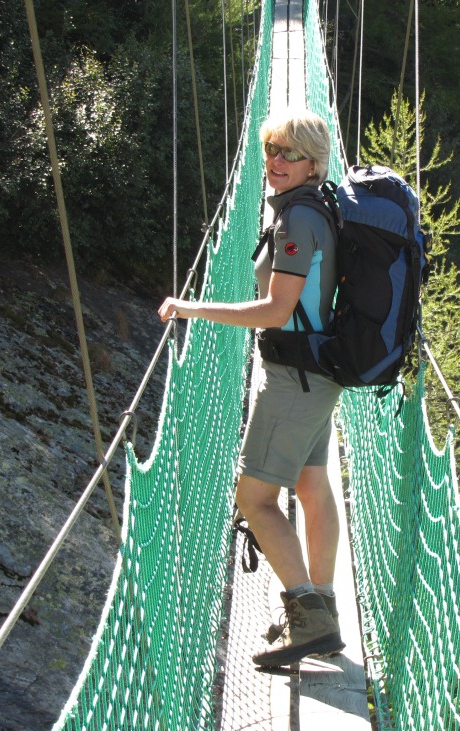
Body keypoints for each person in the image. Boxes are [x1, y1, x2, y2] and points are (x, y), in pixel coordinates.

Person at [158, 109, 344, 667]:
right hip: (319, 374)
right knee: (312, 484)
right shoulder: (321, 207)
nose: (275, 162)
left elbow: (275, 308)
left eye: (289, 153)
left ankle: (307, 617)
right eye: (270, 150)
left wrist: (192, 308)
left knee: (254, 498)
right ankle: (325, 605)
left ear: (314, 162)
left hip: (293, 380)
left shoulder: (296, 221)